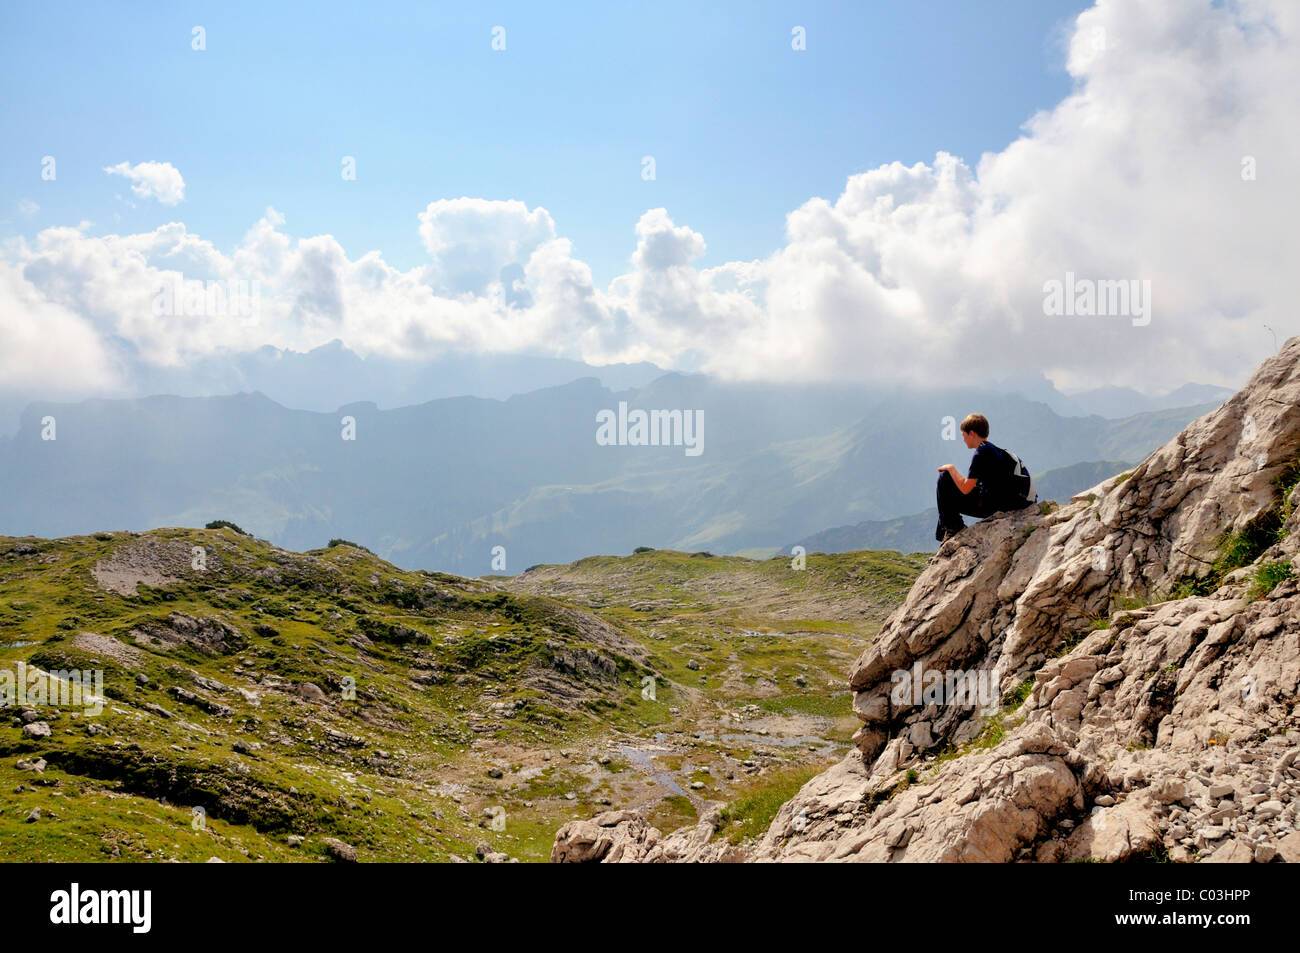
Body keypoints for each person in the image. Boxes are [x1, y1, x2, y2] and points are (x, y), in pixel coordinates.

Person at [935, 413, 1034, 542]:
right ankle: (947, 527)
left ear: (971, 433)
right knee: (949, 489)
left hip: (1007, 504)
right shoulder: (992, 449)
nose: (963, 439)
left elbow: (965, 488)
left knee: (945, 478)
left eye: (963, 435)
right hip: (1019, 500)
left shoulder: (981, 453)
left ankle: (953, 528)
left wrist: (951, 468)